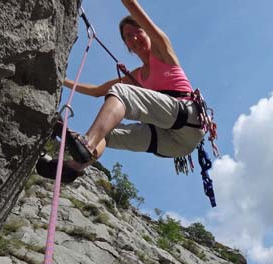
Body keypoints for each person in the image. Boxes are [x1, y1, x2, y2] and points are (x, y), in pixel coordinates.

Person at [38, 0, 205, 182]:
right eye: (128, 36)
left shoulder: (163, 51)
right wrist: (62, 80)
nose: (134, 38)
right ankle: (75, 167)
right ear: (126, 45)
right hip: (174, 145)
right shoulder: (137, 76)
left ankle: (86, 143)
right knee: (106, 132)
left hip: (187, 119)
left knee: (121, 92)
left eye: (137, 31)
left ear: (147, 33)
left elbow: (131, 4)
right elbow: (97, 91)